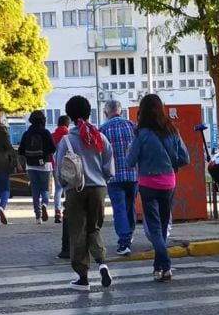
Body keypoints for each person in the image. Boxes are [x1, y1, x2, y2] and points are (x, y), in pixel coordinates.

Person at [126, 94, 190, 282]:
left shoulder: (141, 134)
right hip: (169, 183)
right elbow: (185, 158)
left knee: (154, 228)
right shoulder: (172, 130)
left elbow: (130, 161)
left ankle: (166, 264)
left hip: (147, 184)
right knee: (162, 226)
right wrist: (171, 165)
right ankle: (159, 268)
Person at [55, 96, 114, 290]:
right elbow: (109, 169)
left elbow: (60, 171)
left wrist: (63, 186)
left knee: (77, 232)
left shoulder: (67, 140)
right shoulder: (100, 137)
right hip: (98, 189)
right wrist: (101, 180)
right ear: (89, 113)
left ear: (70, 116)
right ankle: (102, 262)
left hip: (75, 190)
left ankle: (83, 277)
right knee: (94, 227)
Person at [99, 100, 138, 256]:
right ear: (121, 111)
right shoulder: (132, 126)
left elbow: (100, 154)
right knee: (131, 207)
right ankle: (129, 233)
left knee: (119, 209)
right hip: (132, 174)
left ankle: (124, 241)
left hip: (113, 177)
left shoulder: (103, 129)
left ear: (106, 113)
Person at [18, 110, 57, 224]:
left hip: (30, 165)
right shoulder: (45, 133)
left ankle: (38, 217)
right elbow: (53, 148)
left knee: (35, 191)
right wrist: (45, 153)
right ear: (43, 120)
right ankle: (44, 204)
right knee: (45, 189)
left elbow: (21, 150)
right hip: (44, 164)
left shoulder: (26, 133)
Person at [52, 115, 70, 224]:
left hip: (56, 165)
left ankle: (57, 211)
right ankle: (68, 211)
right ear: (68, 124)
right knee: (69, 188)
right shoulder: (69, 135)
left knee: (58, 189)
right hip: (69, 165)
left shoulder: (53, 136)